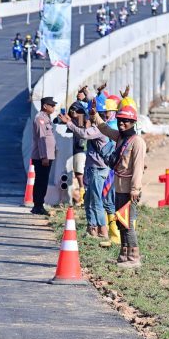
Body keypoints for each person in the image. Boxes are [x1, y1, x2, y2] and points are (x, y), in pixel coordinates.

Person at [92, 104, 147, 269]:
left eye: (126, 121)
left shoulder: (137, 142)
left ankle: (134, 256)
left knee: (128, 223)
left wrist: (135, 189)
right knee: (120, 222)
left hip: (130, 189)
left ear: (133, 123)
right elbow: (105, 129)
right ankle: (123, 254)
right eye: (121, 121)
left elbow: (138, 167)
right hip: (119, 187)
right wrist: (94, 115)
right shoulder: (121, 137)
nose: (122, 124)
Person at [59, 94, 116, 244]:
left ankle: (102, 231)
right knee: (89, 199)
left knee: (96, 200)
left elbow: (84, 134)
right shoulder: (100, 125)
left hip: (98, 169)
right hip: (93, 168)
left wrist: (69, 123)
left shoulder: (101, 128)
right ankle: (92, 228)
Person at [29, 97, 58, 216]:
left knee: (43, 180)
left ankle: (39, 204)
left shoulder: (46, 118)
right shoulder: (40, 118)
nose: (53, 108)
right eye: (51, 105)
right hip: (42, 157)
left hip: (47, 156)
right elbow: (42, 139)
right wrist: (44, 156)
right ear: (45, 106)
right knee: (41, 181)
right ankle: (38, 206)